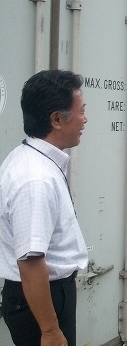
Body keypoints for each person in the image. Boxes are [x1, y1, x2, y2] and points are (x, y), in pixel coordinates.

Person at [0, 70, 89, 346]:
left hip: (44, 296)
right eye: (81, 111)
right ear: (56, 120)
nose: (85, 119)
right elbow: (30, 262)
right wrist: (50, 331)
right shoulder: (35, 179)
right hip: (40, 302)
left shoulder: (32, 159)